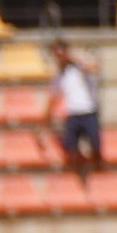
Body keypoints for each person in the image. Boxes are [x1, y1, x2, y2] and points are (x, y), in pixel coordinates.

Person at [47, 41, 103, 181]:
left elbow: (94, 68)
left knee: (95, 146)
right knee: (71, 149)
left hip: (88, 111)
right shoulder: (60, 76)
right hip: (73, 114)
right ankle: (77, 178)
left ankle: (98, 175)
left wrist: (75, 58)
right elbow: (53, 97)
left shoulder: (80, 69)